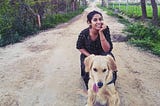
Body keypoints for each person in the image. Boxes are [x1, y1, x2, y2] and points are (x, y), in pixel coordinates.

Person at [76, 10, 117, 89]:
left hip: (102, 54)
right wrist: (91, 56)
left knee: (111, 62)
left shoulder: (105, 30)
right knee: (87, 70)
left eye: (100, 19)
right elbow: (79, 47)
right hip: (88, 54)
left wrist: (101, 33)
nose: (99, 22)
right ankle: (93, 89)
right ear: (89, 22)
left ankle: (109, 85)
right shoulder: (84, 33)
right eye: (95, 20)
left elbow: (106, 50)